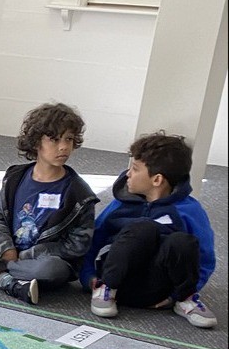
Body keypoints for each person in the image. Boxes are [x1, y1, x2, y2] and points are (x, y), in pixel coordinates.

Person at [0, 102, 97, 305]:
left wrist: (25, 255)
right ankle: (7, 281)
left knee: (51, 270)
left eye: (69, 139)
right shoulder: (16, 177)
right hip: (10, 248)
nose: (64, 146)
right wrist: (6, 249)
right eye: (54, 139)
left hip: (42, 260)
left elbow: (77, 245)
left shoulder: (80, 194)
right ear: (36, 142)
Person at [82, 132, 218, 328]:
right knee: (143, 228)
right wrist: (89, 277)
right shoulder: (122, 203)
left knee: (182, 241)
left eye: (135, 169)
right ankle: (106, 290)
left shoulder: (190, 210)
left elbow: (205, 259)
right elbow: (94, 239)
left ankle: (186, 301)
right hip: (119, 283)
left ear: (157, 180)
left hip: (158, 290)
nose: (128, 174)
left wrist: (174, 295)